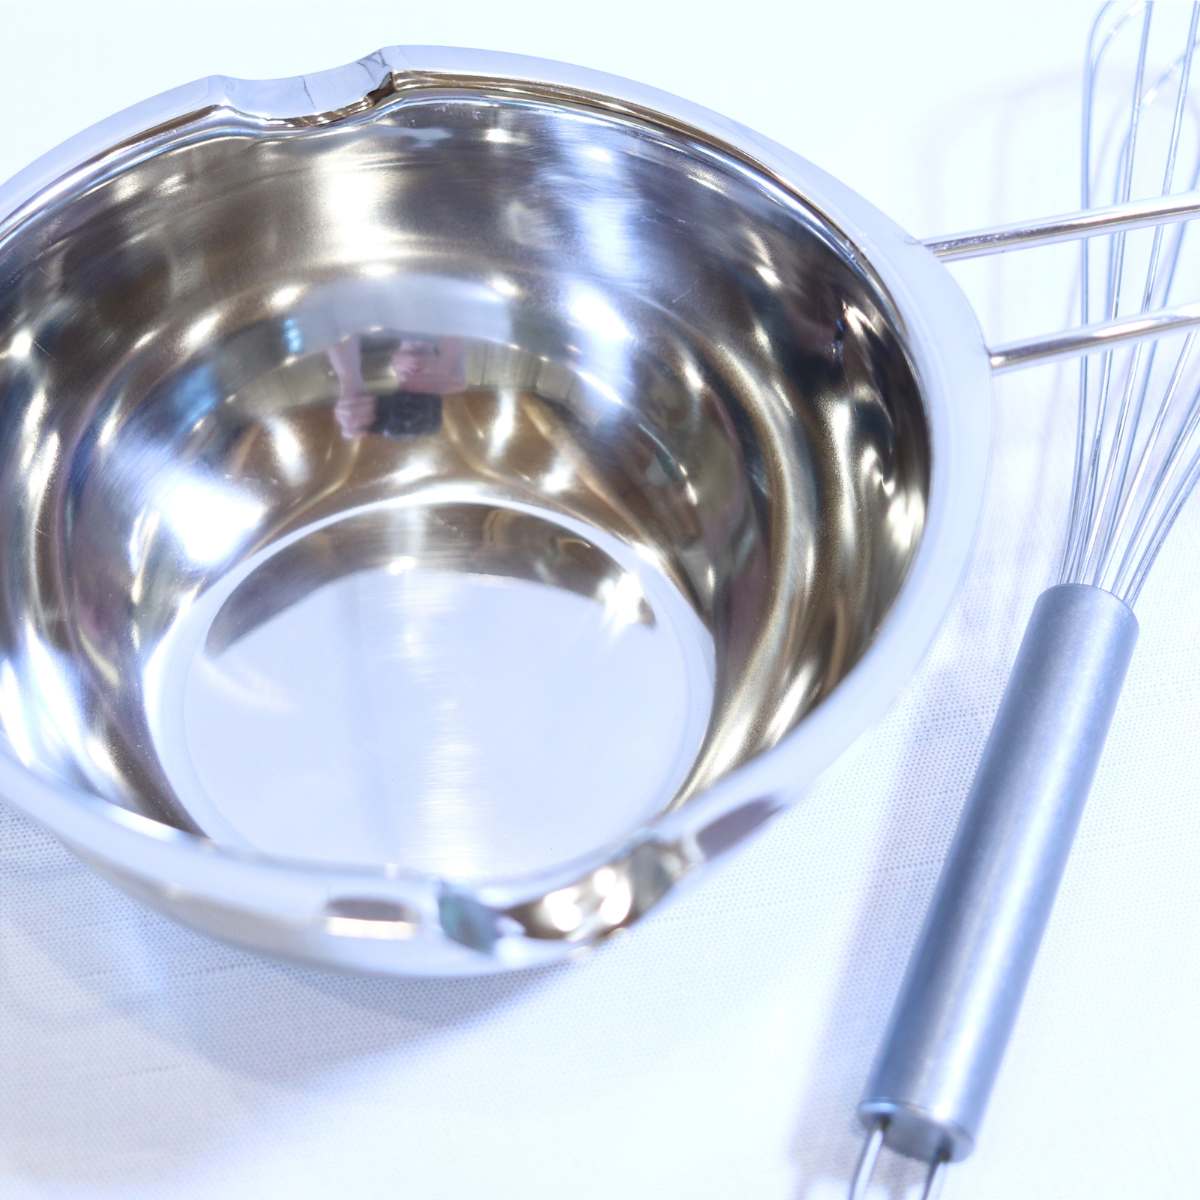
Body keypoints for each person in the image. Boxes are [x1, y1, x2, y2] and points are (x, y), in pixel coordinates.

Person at [328, 334, 466, 438]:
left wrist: (351, 382)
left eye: (402, 388)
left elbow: (332, 314)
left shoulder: (373, 336)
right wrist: (451, 354)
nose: (412, 376)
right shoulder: (448, 355)